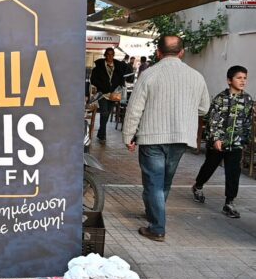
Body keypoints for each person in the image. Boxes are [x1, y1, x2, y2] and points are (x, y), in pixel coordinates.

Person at [122, 35, 210, 241]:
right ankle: (154, 214)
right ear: (182, 52)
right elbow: (204, 108)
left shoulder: (149, 74)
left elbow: (134, 109)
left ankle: (157, 228)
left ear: (158, 53)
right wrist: (183, 109)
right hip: (181, 137)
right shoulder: (196, 76)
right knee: (165, 181)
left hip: (152, 137)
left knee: (153, 182)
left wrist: (128, 135)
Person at [192, 66, 253, 218]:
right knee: (209, 167)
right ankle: (198, 186)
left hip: (236, 143)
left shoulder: (248, 99)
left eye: (245, 78)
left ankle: (229, 203)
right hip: (218, 143)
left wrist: (244, 139)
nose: (243, 81)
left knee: (233, 172)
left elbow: (247, 122)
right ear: (229, 80)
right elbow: (212, 120)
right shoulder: (220, 99)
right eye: (239, 78)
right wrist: (216, 138)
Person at [90, 47, 127, 143]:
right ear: (105, 55)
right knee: (104, 113)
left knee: (107, 114)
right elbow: (93, 80)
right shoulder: (99, 67)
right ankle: (103, 135)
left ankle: (100, 132)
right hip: (102, 94)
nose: (110, 56)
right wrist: (102, 86)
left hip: (113, 95)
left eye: (112, 54)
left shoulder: (118, 66)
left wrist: (118, 87)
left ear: (113, 55)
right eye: (108, 54)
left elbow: (122, 78)